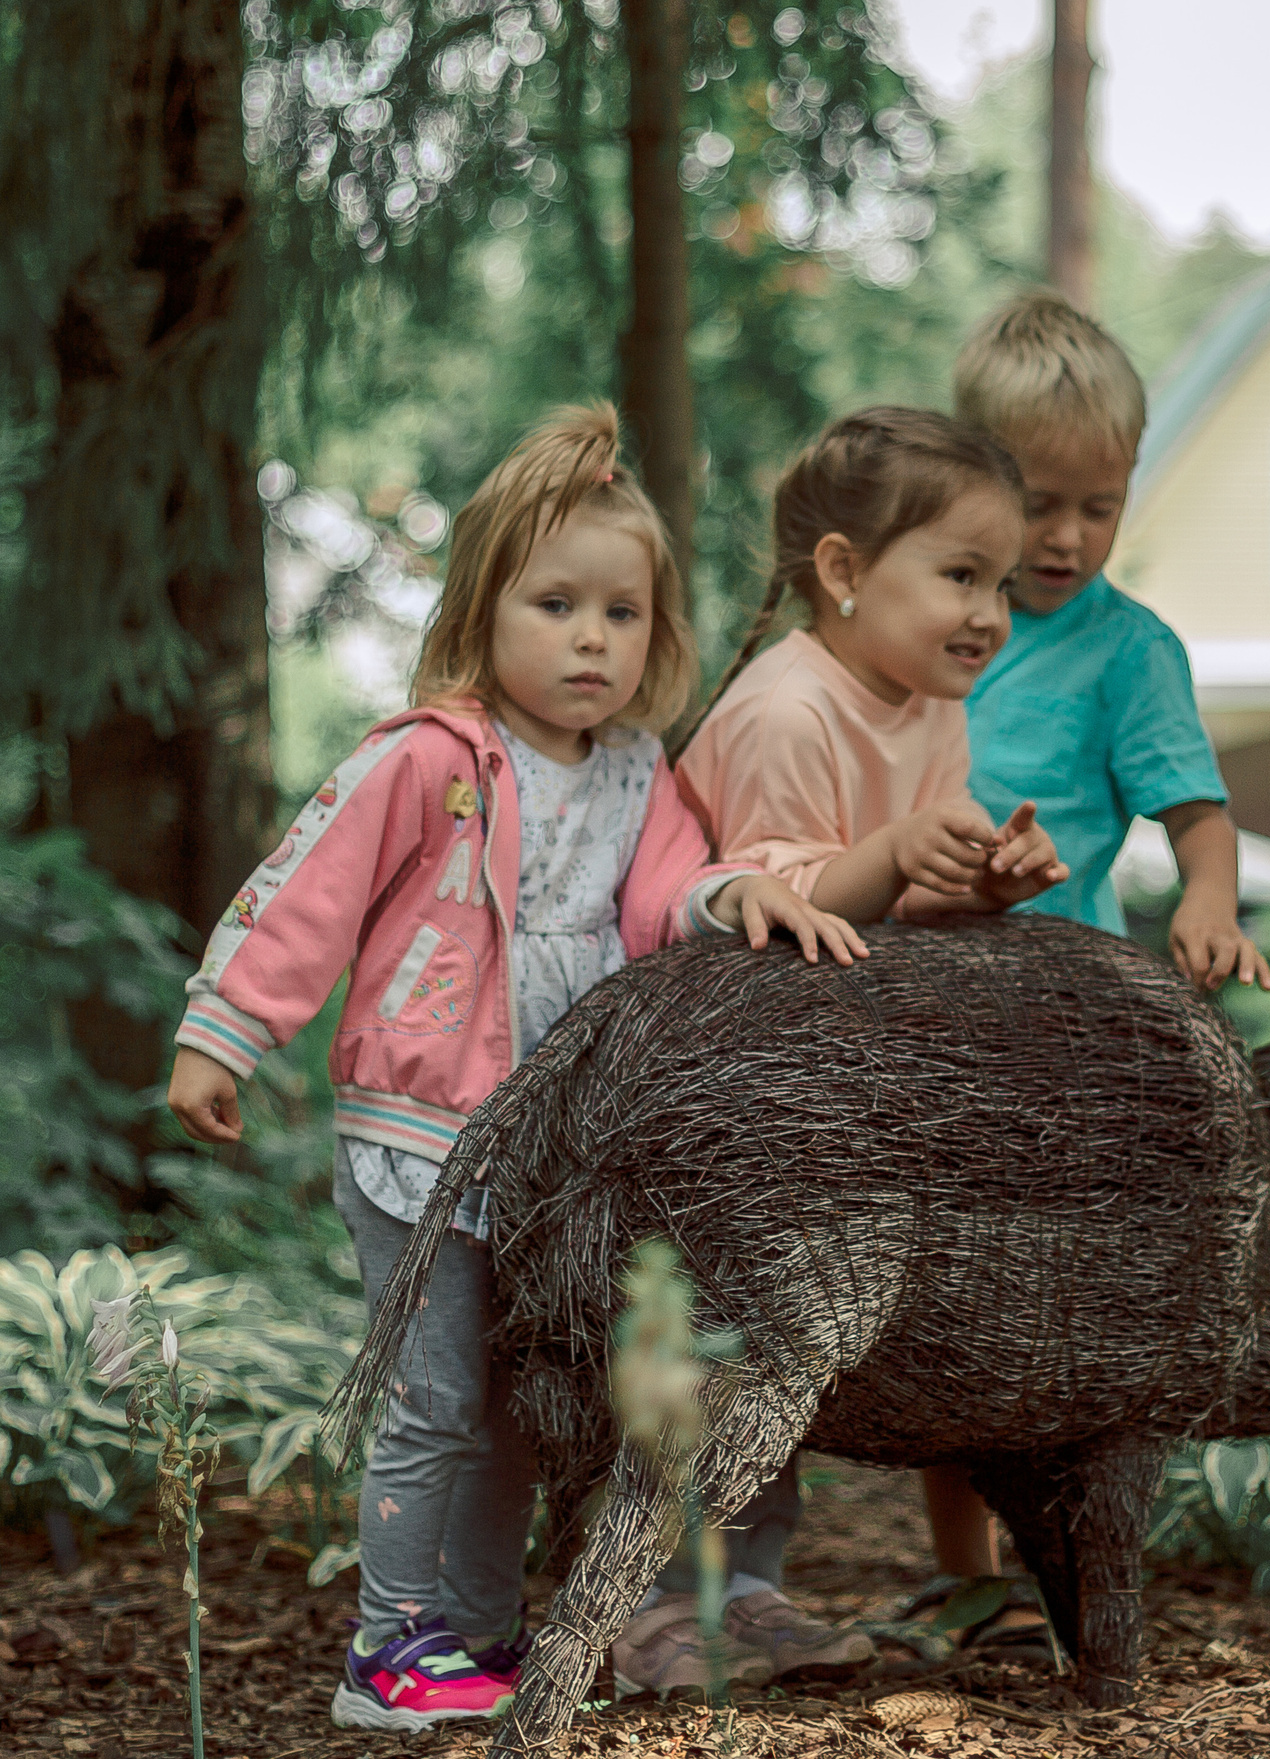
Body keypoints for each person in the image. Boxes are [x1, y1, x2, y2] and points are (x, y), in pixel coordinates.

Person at [165, 406, 861, 1732]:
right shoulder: (430, 759)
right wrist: (224, 1029)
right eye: (556, 604)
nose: (593, 636)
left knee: (512, 1399)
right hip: (421, 1133)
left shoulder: (637, 777)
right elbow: (307, 893)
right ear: (485, 609)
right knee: (433, 1394)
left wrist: (742, 892)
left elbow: (667, 895)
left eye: (624, 610)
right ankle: (385, 1648)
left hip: (550, 1152)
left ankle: (469, 1630)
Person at [615, 407, 1069, 1689]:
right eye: (960, 574)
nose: (989, 612)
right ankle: (655, 1596)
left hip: (822, 1089)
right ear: (843, 570)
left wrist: (981, 881)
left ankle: (747, 1584)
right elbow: (757, 909)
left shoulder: (926, 703)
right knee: (708, 1333)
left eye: (1001, 584)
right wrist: (890, 862)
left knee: (786, 1343)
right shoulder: (786, 710)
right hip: (709, 1089)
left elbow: (896, 899)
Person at [953, 291, 1270, 995]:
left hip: (1061, 990)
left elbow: (1198, 815)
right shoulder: (925, 612)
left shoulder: (1131, 652)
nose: (1069, 537)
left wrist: (1211, 902)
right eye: (1039, 505)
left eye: (1101, 507)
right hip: (907, 962)